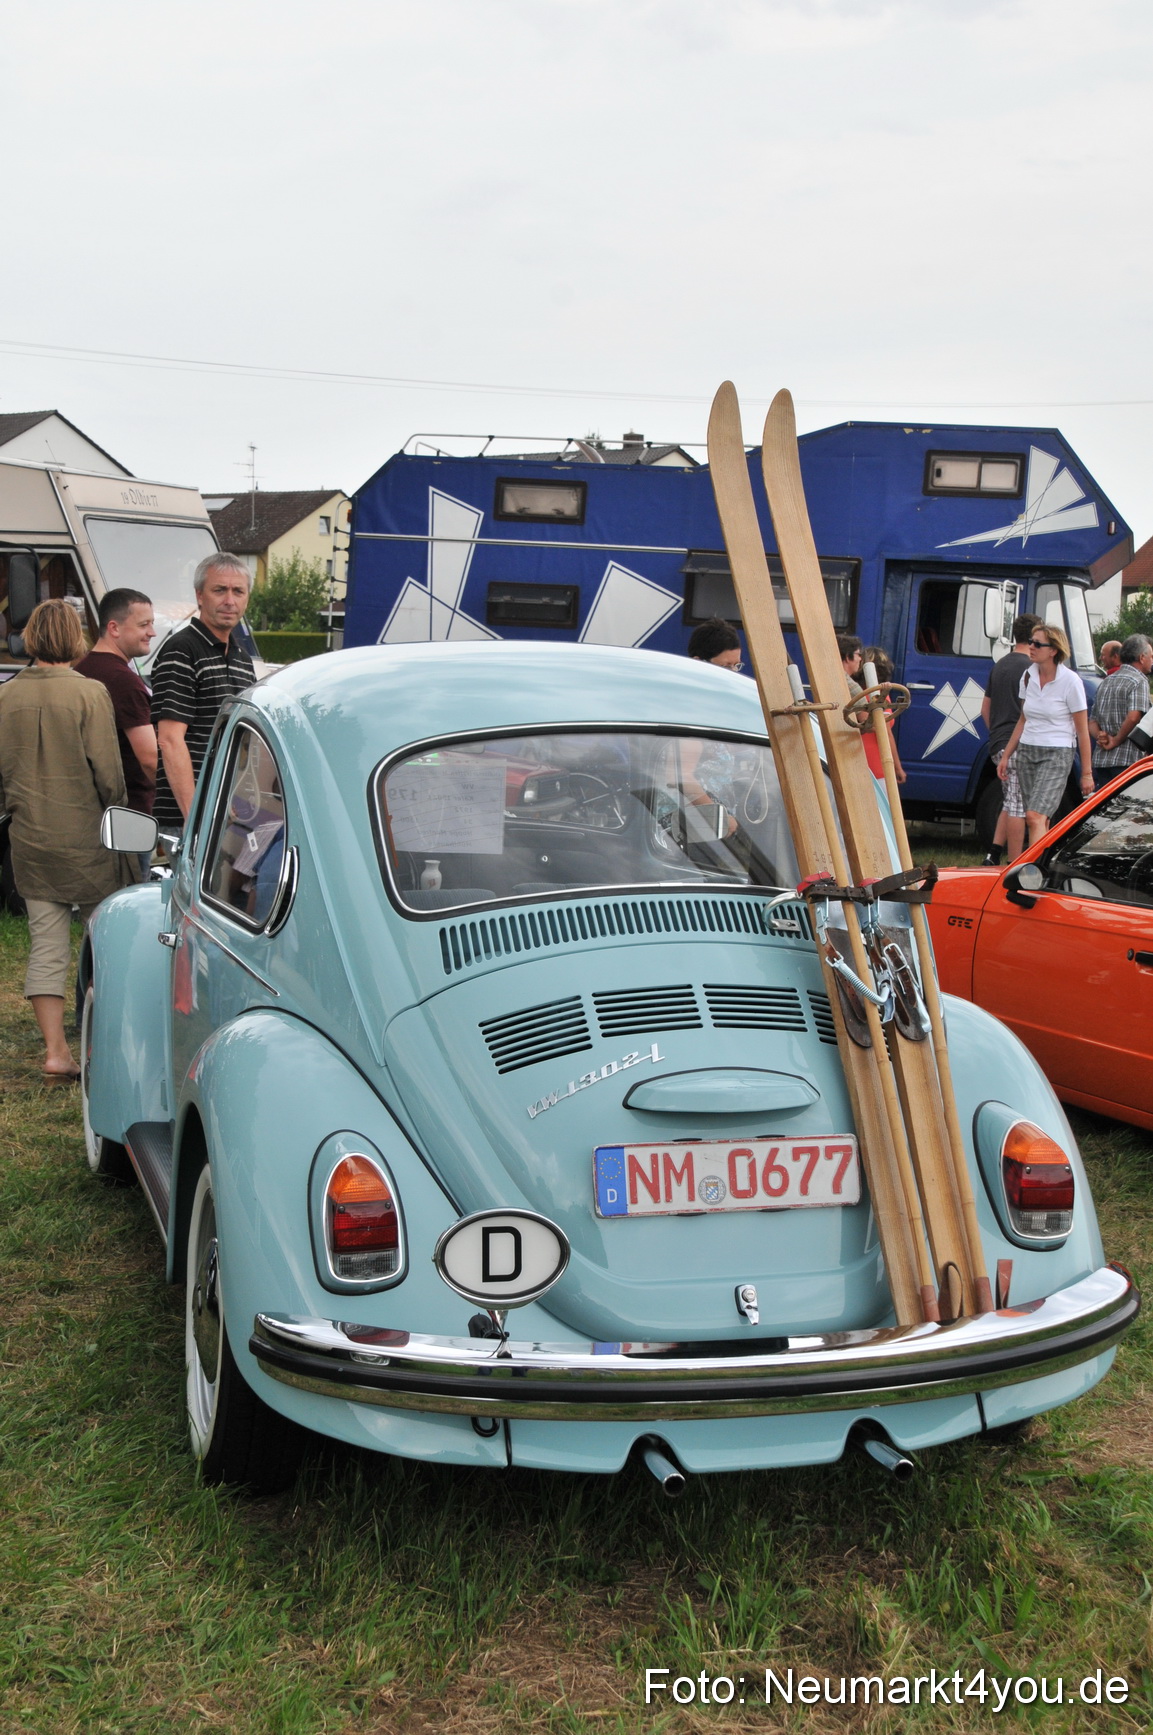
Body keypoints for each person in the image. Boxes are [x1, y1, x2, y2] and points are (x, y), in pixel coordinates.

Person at [0, 599, 131, 1078]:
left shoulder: (5, 695)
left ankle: (56, 1052)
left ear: (30, 637)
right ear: (74, 637)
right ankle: (109, 1042)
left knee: (46, 944)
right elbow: (110, 777)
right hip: (88, 838)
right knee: (108, 940)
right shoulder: (90, 693)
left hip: (30, 838)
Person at [151, 553, 256, 831]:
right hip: (192, 819)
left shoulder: (242, 659)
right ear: (199, 596)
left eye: (238, 591)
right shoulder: (181, 650)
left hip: (228, 815)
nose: (229, 600)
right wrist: (195, 815)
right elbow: (170, 740)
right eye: (219, 590)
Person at [998, 623, 1094, 848]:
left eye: (1037, 644)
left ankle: (1033, 871)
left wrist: (1087, 773)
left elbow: (1082, 730)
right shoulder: (1027, 676)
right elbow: (1023, 719)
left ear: (1053, 650)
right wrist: (1006, 755)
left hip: (1057, 752)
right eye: (1030, 642)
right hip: (1027, 751)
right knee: (1040, 817)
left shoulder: (1071, 682)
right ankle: (1044, 865)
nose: (1031, 646)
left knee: (1034, 816)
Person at [75, 588, 158, 815]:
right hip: (132, 811)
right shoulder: (123, 682)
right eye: (144, 625)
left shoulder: (82, 669)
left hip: (93, 807)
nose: (152, 633)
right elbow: (151, 759)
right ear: (114, 628)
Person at [980, 613, 1040, 866]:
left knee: (1010, 798)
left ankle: (993, 853)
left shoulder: (1000, 664)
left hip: (998, 743)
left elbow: (985, 709)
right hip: (1019, 744)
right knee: (1018, 805)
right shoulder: (1031, 668)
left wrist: (997, 735)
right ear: (1033, 637)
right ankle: (1016, 863)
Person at [1089, 633, 1153, 786]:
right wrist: (1115, 741)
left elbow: (1091, 721)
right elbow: (1133, 717)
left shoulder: (1106, 681)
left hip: (1102, 760)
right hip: (1127, 760)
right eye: (1151, 656)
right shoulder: (1139, 681)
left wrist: (1101, 736)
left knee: (1105, 807)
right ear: (1142, 657)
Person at [859, 645, 906, 784]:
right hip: (876, 763)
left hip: (865, 760)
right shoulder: (880, 697)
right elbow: (886, 733)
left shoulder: (859, 693)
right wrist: (898, 768)